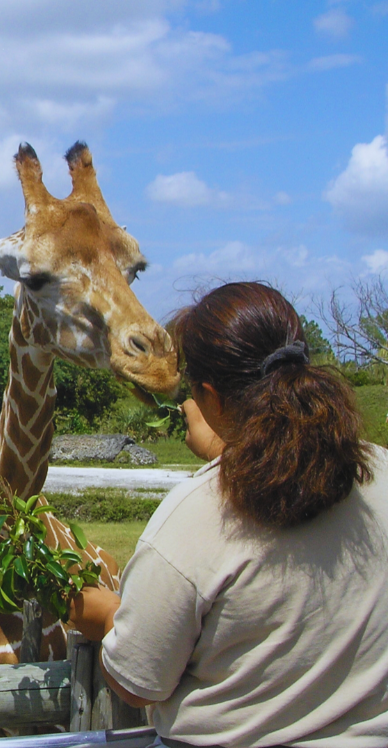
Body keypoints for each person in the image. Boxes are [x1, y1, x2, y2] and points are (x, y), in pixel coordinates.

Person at [69, 282, 388, 747]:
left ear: (211, 398)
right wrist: (225, 451)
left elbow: (136, 684)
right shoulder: (377, 468)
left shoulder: (192, 519)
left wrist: (106, 616)